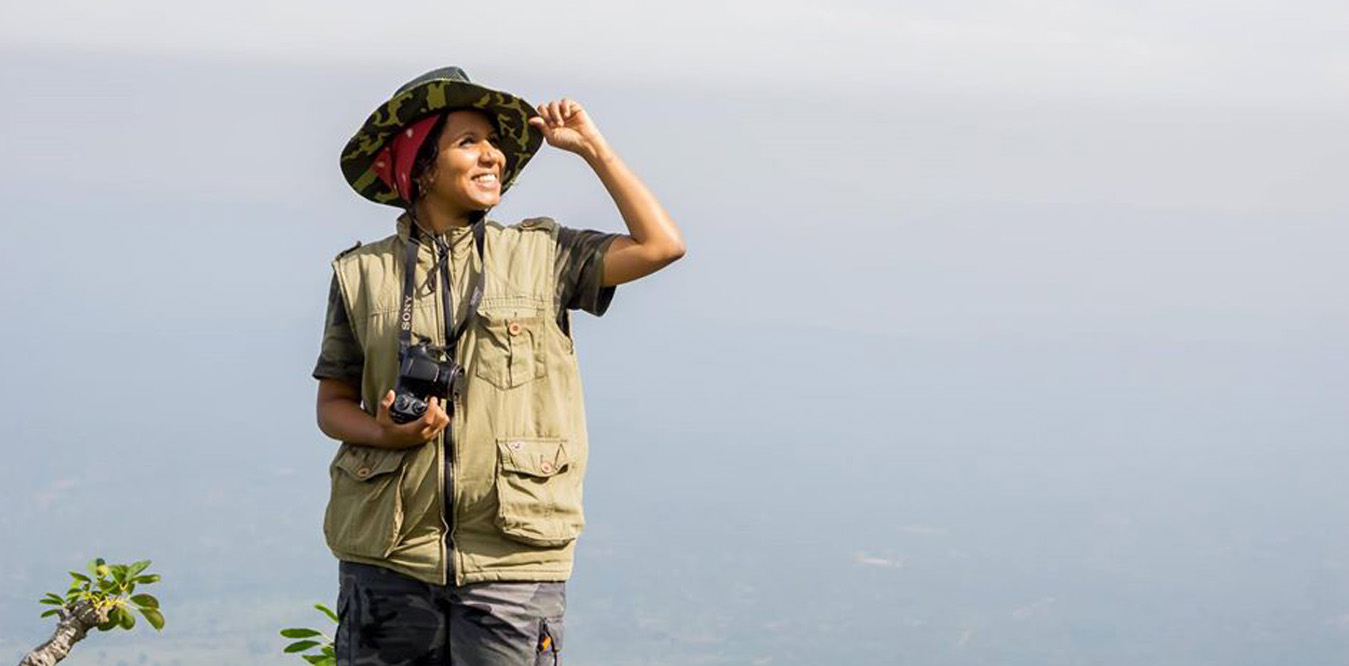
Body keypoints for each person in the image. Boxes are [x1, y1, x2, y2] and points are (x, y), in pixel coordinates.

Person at [312, 66, 685, 666]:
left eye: (495, 145)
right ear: (421, 165)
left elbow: (661, 245)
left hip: (513, 564)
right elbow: (332, 405)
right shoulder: (360, 274)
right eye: (469, 143)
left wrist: (593, 149)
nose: (494, 156)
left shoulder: (543, 254)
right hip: (387, 557)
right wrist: (384, 431)